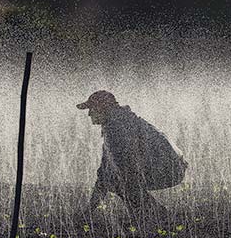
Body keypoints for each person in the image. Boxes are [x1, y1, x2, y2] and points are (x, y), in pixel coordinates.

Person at [77, 90, 186, 218]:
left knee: (120, 179)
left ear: (102, 108)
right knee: (116, 178)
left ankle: (156, 215)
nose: (89, 114)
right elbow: (105, 170)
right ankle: (153, 214)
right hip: (173, 167)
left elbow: (122, 170)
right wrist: (89, 210)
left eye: (92, 109)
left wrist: (88, 211)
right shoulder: (119, 122)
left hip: (170, 169)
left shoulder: (116, 128)